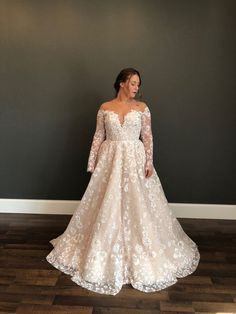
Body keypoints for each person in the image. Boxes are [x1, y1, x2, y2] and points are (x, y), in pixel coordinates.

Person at [46, 67, 200, 295]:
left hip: (134, 161)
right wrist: (92, 162)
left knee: (139, 206)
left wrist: (149, 162)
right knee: (106, 204)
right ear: (121, 83)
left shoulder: (142, 109)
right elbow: (99, 135)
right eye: (133, 83)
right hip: (109, 161)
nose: (137, 87)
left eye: (138, 84)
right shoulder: (105, 108)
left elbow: (147, 137)